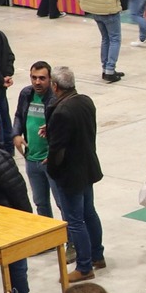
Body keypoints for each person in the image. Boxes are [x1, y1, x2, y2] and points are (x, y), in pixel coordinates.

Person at [44, 67, 106, 278]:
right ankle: (97, 256)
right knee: (89, 213)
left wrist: (52, 169)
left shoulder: (61, 111)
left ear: (55, 86)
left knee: (75, 221)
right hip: (87, 167)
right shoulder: (85, 101)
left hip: (70, 174)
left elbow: (58, 149)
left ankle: (84, 267)